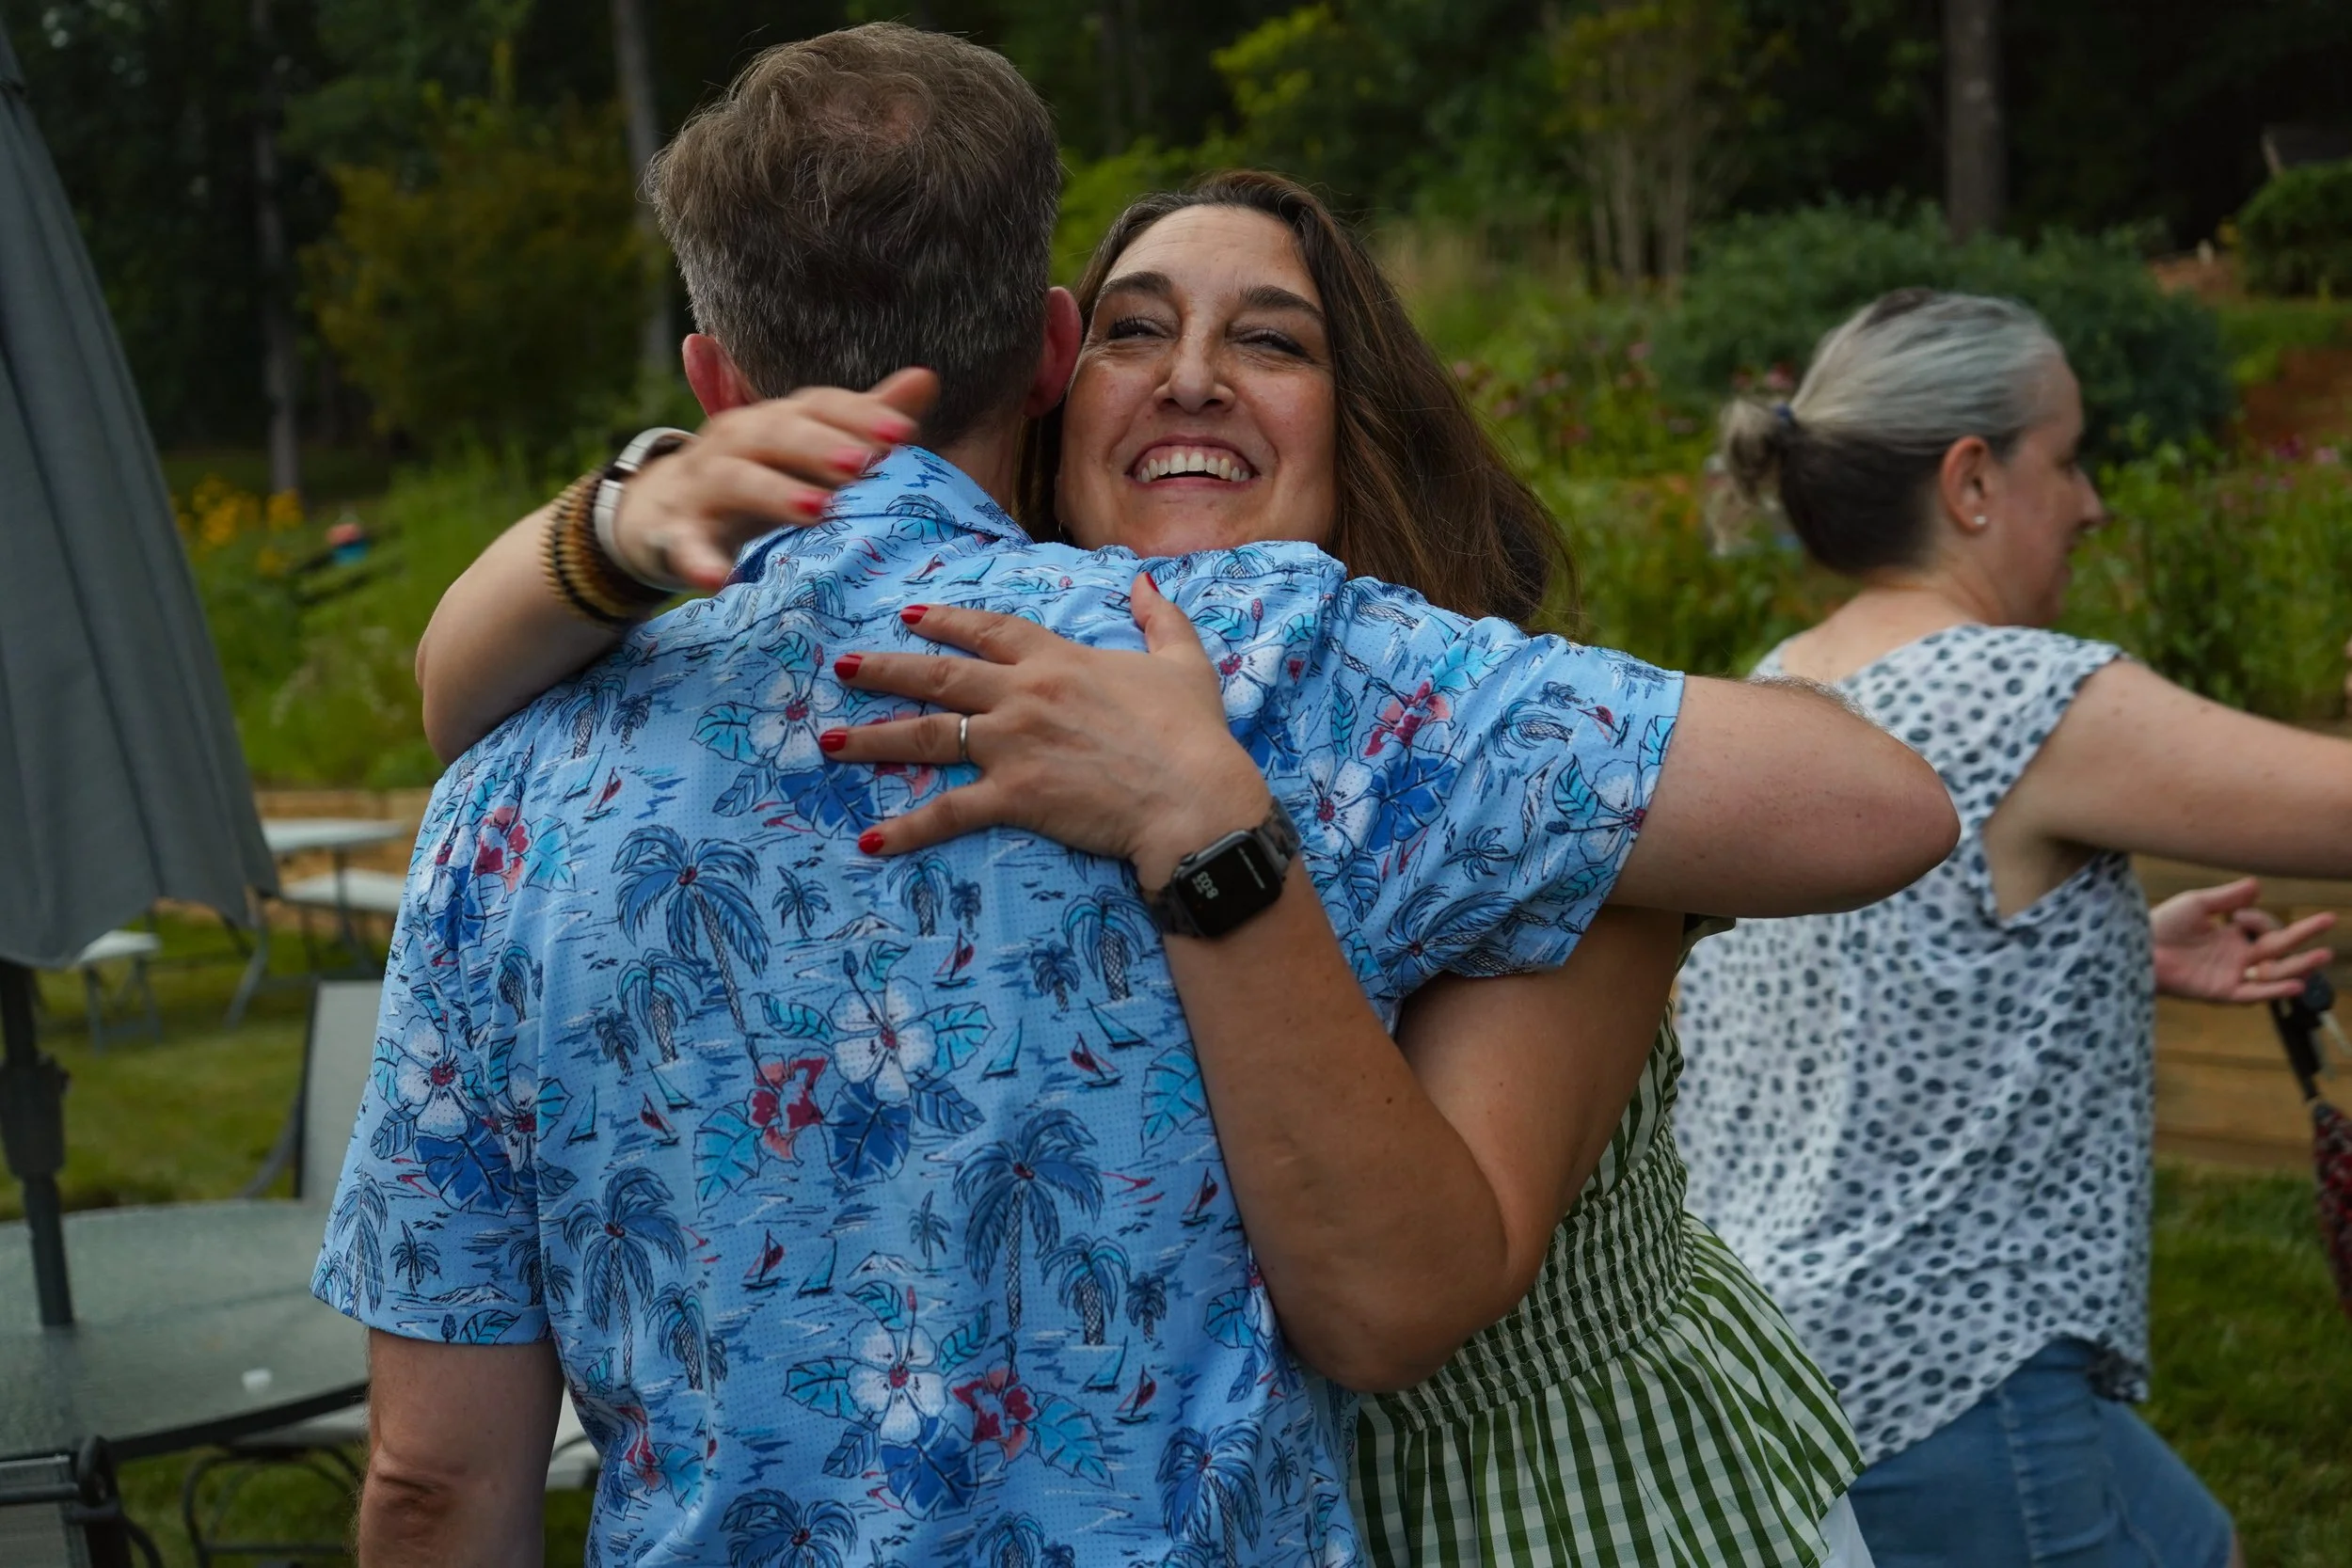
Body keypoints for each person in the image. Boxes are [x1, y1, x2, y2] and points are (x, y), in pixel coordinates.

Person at [347, 34, 1952, 1568]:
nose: (1192, 381)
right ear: (1051, 359)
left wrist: (1205, 810)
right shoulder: (1315, 680)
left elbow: (430, 1479)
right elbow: (1880, 808)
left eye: (1272, 340)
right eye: (1138, 331)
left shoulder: (503, 797)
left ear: (714, 376)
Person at [1676, 288, 2351, 1568]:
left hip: (1783, 1361)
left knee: (2196, 1541)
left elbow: (1838, 968)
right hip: (1951, 1379)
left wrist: (2105, 947)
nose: (2092, 503)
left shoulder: (1780, 685)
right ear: (1973, 480)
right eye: (2069, 457)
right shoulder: (2028, 692)